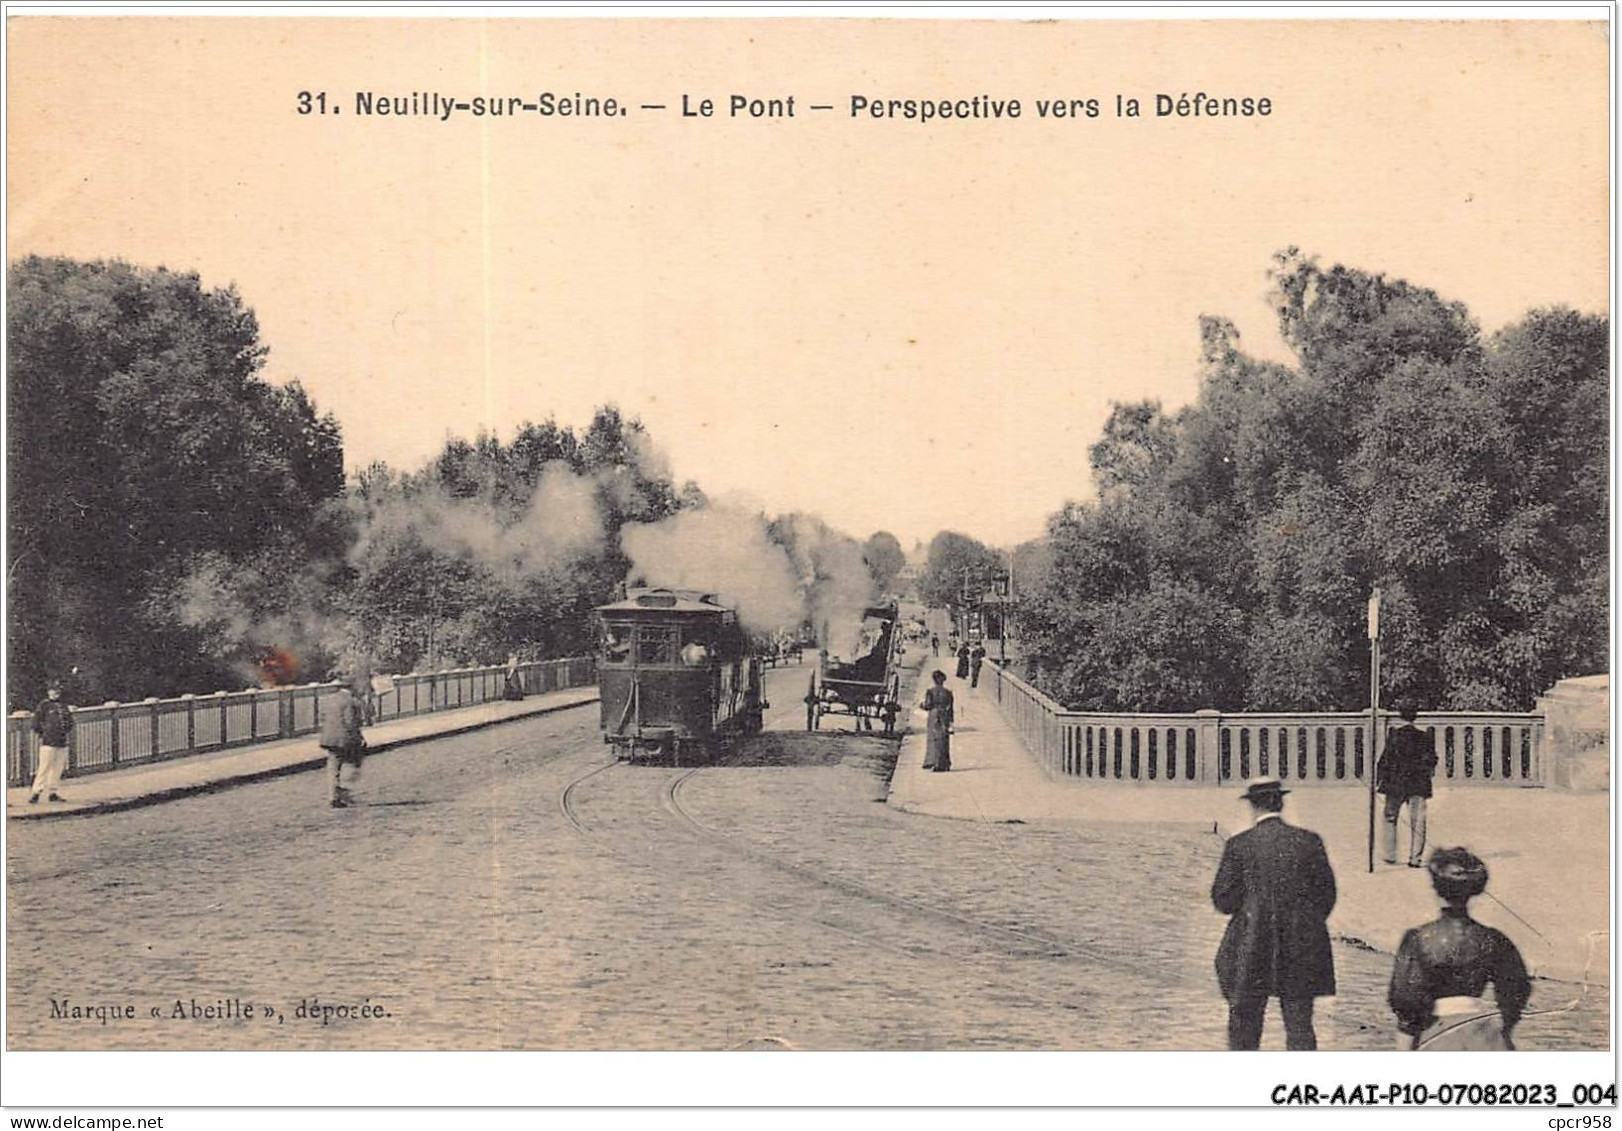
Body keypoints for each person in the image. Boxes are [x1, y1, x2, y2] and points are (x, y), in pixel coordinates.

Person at [1212, 777, 1338, 1050]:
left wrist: (1251, 909)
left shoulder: (1239, 845)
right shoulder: (1309, 841)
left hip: (1252, 943)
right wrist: (1303, 921)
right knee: (1299, 1023)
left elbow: (1222, 900)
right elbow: (1326, 895)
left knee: (1245, 1020)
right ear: (1280, 802)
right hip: (1300, 944)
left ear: (1253, 806)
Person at [1388, 847, 1531, 1050]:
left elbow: (1407, 1002)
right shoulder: (1493, 939)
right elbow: (1517, 989)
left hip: (1438, 1035)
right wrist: (1504, 1030)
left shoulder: (1418, 939)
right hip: (1484, 1038)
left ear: (1437, 890)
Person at [1378, 699, 1438, 866]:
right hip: (1417, 784)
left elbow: (1384, 760)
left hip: (1395, 784)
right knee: (1418, 821)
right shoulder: (1425, 737)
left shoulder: (1394, 736)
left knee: (1390, 817)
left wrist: (1379, 780)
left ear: (1400, 714)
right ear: (1415, 715)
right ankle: (1415, 858)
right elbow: (1432, 760)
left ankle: (1390, 854)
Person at [319, 678, 371, 808]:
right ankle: (344, 792)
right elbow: (351, 722)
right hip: (345, 739)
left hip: (329, 738)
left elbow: (322, 718)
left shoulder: (328, 699)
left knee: (333, 768)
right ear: (351, 687)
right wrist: (359, 738)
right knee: (353, 764)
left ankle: (333, 797)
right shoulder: (351, 701)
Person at [27, 681, 73, 804]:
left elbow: (69, 721)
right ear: (49, 692)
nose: (56, 692)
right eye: (53, 690)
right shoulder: (43, 705)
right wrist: (44, 733)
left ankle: (53, 792)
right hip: (48, 741)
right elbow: (35, 723)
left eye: (58, 690)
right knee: (44, 767)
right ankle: (36, 792)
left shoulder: (63, 706)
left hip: (61, 741)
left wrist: (64, 730)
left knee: (58, 768)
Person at [920, 670, 954, 772]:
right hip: (944, 715)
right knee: (943, 739)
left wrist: (921, 706)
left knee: (933, 739)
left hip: (934, 715)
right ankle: (944, 763)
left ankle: (933, 762)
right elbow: (951, 709)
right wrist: (951, 722)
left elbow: (928, 705)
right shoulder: (948, 692)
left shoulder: (930, 691)